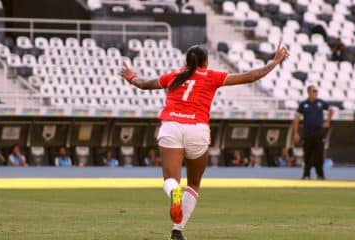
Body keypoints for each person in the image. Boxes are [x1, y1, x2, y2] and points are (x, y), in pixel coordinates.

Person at [120, 41, 289, 240]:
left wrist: (131, 76)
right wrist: (274, 62)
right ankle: (177, 230)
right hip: (197, 130)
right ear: (205, 62)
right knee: (193, 183)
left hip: (171, 126)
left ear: (186, 61)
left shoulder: (174, 76)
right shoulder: (212, 76)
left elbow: (145, 84)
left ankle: (175, 193)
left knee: (171, 180)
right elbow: (250, 77)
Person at [293, 85, 333, 180]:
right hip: (307, 132)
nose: (315, 93)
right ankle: (306, 174)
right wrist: (296, 132)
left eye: (316, 91)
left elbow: (331, 110)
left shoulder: (320, 102)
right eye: (313, 91)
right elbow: (297, 118)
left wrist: (327, 121)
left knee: (319, 154)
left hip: (319, 132)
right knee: (307, 154)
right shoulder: (303, 104)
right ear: (309, 92)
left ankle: (320, 175)